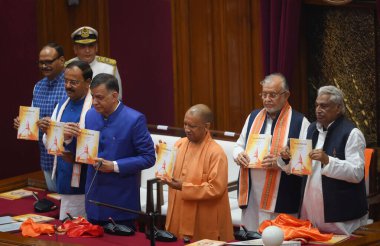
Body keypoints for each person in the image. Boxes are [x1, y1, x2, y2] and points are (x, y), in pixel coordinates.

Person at [233, 73, 310, 231]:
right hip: (252, 195)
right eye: (264, 94)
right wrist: (238, 154)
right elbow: (238, 145)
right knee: (251, 238)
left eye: (272, 95)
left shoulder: (300, 122)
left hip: (281, 198)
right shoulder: (253, 117)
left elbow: (304, 167)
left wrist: (280, 163)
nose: (267, 99)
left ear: (286, 95)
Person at [84, 73, 155, 228]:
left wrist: (115, 166)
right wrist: (69, 138)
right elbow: (85, 149)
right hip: (93, 199)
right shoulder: (90, 115)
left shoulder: (134, 119)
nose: (94, 102)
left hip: (120, 203)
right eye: (92, 97)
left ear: (114, 95)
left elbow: (149, 157)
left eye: (99, 97)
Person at [299, 85, 368, 235]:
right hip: (310, 214)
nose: (318, 109)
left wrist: (328, 160)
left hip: (341, 220)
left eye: (324, 106)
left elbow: (357, 173)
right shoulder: (310, 129)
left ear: (338, 108)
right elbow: (301, 167)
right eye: (317, 105)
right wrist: (288, 158)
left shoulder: (351, 133)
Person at [162, 104, 234, 241]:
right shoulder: (179, 144)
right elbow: (169, 171)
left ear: (206, 126)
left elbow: (216, 189)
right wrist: (162, 157)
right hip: (179, 211)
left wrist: (184, 187)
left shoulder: (216, 153)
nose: (187, 129)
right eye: (185, 124)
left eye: (192, 126)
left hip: (204, 218)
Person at [39, 60, 93, 220]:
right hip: (64, 175)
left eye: (74, 82)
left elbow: (100, 143)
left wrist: (68, 139)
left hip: (85, 178)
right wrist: (47, 131)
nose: (68, 86)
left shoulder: (94, 107)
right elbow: (50, 142)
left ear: (88, 82)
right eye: (66, 81)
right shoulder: (62, 104)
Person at [13, 43, 67, 192]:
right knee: (54, 203)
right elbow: (33, 118)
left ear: (62, 60)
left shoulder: (71, 85)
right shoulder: (38, 86)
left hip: (68, 158)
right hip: (46, 158)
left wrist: (53, 124)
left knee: (70, 209)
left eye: (48, 62)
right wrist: (23, 123)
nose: (44, 66)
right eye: (41, 62)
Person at [66, 26, 123, 100]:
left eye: (91, 46)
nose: (87, 50)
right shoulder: (68, 67)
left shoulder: (109, 67)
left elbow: (118, 98)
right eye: (82, 47)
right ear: (75, 49)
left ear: (96, 47)